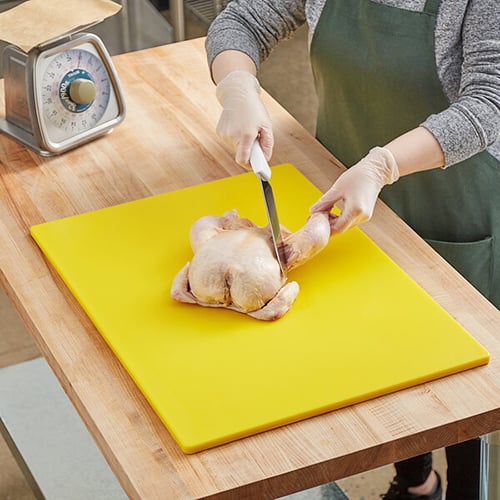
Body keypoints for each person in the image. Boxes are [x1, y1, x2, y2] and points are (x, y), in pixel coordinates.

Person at [205, 0, 500, 498]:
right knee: (376, 350)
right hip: (343, 198)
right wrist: (237, 85)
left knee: (457, 386)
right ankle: (415, 483)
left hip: (450, 205)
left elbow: (491, 101)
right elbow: (241, 20)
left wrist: (383, 166)